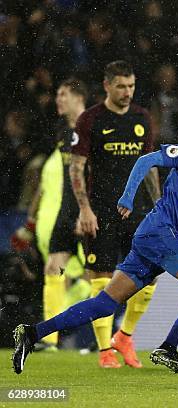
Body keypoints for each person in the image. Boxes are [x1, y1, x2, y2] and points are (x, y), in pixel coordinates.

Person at [12, 113, 178, 376]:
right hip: (160, 230)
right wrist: (127, 198)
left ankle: (32, 333)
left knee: (105, 304)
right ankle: (168, 346)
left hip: (157, 239)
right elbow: (146, 160)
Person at [69, 60, 161, 368]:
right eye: (121, 86)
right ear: (107, 85)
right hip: (102, 210)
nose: (127, 92)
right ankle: (104, 351)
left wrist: (158, 207)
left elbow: (149, 165)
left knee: (151, 275)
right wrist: (84, 209)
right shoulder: (90, 119)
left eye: (131, 86)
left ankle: (124, 336)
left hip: (139, 210)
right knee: (102, 278)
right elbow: (77, 167)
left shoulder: (141, 118)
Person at [10, 78, 91, 351]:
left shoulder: (94, 126)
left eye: (63, 94)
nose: (58, 99)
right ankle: (50, 340)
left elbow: (98, 174)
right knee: (53, 269)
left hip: (90, 211)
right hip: (66, 211)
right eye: (57, 94)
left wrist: (87, 209)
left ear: (78, 97)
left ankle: (107, 342)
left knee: (101, 276)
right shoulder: (61, 131)